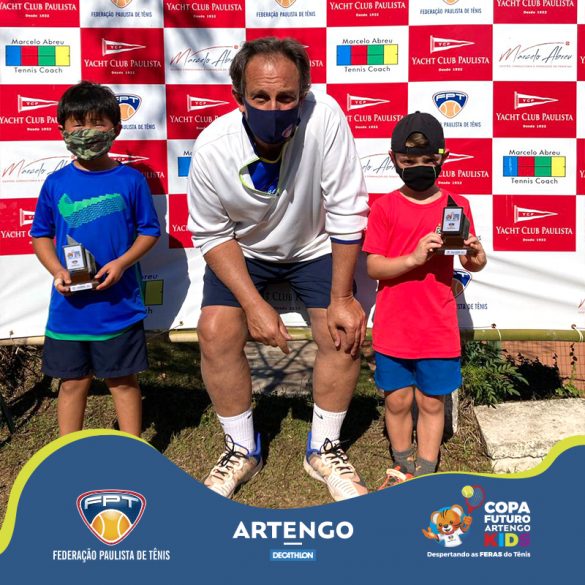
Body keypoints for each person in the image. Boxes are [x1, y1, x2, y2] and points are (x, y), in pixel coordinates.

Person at [187, 37, 370, 501]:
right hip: (245, 250)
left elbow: (347, 208)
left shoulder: (326, 117)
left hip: (314, 245)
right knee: (215, 330)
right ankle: (242, 449)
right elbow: (211, 234)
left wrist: (343, 298)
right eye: (261, 97)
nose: (274, 107)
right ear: (239, 97)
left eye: (286, 97)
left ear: (303, 94)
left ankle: (323, 448)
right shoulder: (211, 148)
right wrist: (253, 305)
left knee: (342, 330)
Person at [362, 111, 487, 487]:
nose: (418, 167)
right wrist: (414, 258)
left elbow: (469, 261)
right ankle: (402, 464)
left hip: (437, 327)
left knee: (433, 402)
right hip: (393, 327)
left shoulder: (457, 204)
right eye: (408, 160)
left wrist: (477, 257)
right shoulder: (384, 207)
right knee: (397, 401)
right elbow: (374, 267)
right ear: (393, 159)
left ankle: (426, 469)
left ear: (442, 157)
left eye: (428, 160)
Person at [30, 81, 161, 437]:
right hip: (69, 311)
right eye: (78, 124)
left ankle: (131, 449)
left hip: (119, 308)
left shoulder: (131, 180)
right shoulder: (55, 183)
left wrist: (121, 263)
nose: (87, 132)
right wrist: (57, 270)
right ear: (62, 130)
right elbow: (40, 235)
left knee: (123, 381)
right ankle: (69, 453)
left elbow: (149, 231)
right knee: (72, 383)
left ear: (115, 128)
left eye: (97, 123)